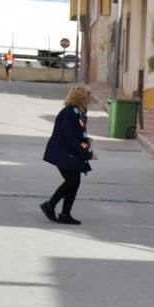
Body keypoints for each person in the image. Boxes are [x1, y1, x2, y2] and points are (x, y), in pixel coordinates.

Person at [40, 84, 95, 226]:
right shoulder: (68, 113)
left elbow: (77, 135)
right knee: (72, 181)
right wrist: (86, 154)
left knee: (74, 182)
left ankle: (65, 214)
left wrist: (86, 142)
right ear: (80, 98)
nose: (90, 99)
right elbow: (69, 138)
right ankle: (49, 205)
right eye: (88, 96)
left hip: (69, 153)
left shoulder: (79, 112)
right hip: (62, 152)